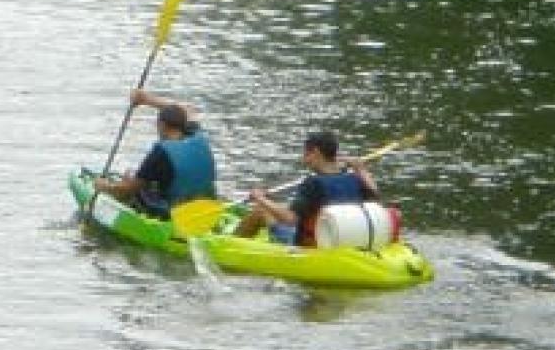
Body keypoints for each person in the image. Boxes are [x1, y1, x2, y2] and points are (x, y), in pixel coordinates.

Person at [230, 131, 378, 245]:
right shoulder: (352, 177)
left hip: (311, 243)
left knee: (260, 211)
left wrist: (260, 199)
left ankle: (228, 246)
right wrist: (361, 169)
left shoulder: (312, 183)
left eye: (306, 153)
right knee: (278, 208)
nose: (303, 159)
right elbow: (375, 198)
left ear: (316, 153)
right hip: (342, 238)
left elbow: (290, 219)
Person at [93, 90, 219, 218]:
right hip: (208, 205)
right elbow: (185, 109)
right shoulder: (196, 133)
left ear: (162, 125)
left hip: (177, 213)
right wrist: (146, 99)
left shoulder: (161, 151)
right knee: (151, 180)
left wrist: (104, 186)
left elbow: (129, 189)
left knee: (129, 178)